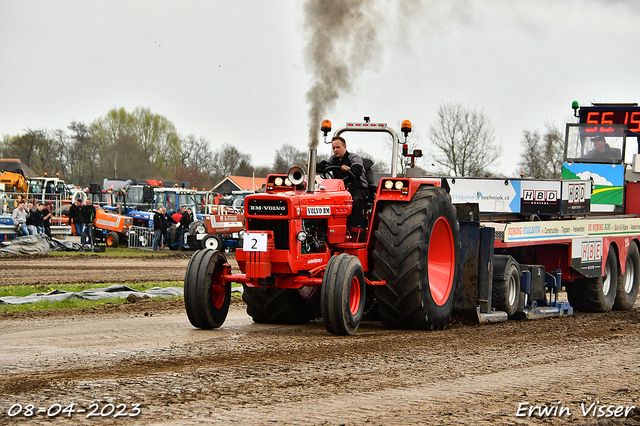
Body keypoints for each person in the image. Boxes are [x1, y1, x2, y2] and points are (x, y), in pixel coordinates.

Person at [316, 136, 369, 229]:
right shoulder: (332, 159)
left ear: (345, 147)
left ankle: (357, 227)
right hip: (340, 190)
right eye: (333, 148)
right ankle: (324, 228)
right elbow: (322, 166)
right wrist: (312, 165)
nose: (335, 150)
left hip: (357, 187)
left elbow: (357, 170)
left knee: (355, 200)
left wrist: (349, 169)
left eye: (338, 147)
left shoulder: (354, 158)